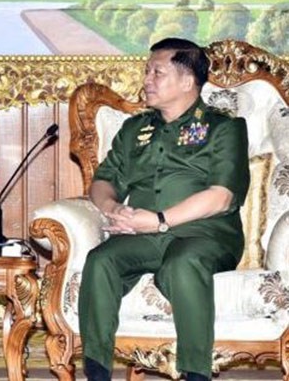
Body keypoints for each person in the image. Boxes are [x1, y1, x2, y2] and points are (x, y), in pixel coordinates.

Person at [78, 38, 250, 381]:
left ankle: (196, 373)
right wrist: (112, 207)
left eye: (157, 72)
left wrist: (158, 220)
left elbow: (222, 196)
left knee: (182, 263)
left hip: (206, 235)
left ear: (188, 81)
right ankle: (97, 372)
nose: (147, 80)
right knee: (101, 260)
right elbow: (103, 181)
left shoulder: (224, 128)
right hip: (143, 234)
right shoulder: (134, 129)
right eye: (147, 72)